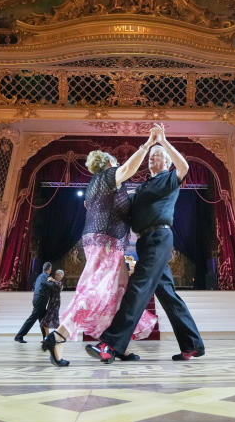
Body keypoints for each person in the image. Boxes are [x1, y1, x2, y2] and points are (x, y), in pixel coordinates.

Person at [86, 124, 205, 363]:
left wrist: (163, 141)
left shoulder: (171, 178)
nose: (154, 158)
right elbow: (119, 206)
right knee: (167, 293)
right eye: (152, 156)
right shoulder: (140, 188)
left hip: (160, 238)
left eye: (159, 155)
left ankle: (110, 344)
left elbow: (185, 166)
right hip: (145, 242)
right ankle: (192, 345)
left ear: (167, 161)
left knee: (138, 288)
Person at [42, 135, 158, 366]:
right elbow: (128, 168)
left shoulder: (95, 185)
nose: (117, 166)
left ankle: (115, 346)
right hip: (105, 242)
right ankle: (59, 335)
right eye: (114, 163)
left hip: (103, 241)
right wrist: (146, 146)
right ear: (107, 164)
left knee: (120, 294)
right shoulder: (107, 177)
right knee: (94, 291)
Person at [14, 261, 52, 343]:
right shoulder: (46, 276)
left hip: (38, 299)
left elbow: (35, 285)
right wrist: (56, 282)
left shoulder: (40, 276)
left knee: (43, 319)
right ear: (49, 269)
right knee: (32, 319)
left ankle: (45, 338)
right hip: (40, 300)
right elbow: (50, 285)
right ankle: (19, 336)